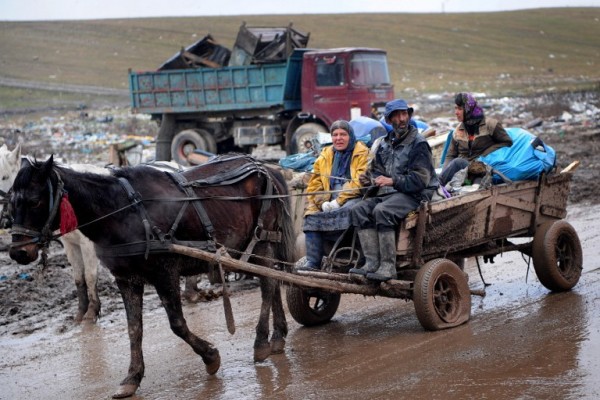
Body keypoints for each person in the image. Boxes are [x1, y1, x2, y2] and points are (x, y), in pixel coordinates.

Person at [349, 99, 439, 282]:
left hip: (416, 194)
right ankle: (372, 263)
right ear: (389, 120)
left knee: (382, 211)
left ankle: (388, 267)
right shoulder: (384, 144)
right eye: (397, 115)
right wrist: (370, 179)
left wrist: (392, 181)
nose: (402, 118)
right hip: (391, 193)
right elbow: (376, 171)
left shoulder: (418, 143)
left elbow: (421, 179)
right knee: (358, 209)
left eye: (404, 114)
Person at [299, 120, 370, 271]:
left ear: (350, 136)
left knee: (348, 212)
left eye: (343, 134)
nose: (338, 138)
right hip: (328, 198)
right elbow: (315, 182)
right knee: (310, 216)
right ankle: (313, 262)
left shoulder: (361, 152)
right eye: (335, 135)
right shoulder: (325, 154)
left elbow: (359, 182)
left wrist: (338, 202)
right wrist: (321, 201)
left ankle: (356, 258)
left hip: (354, 197)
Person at [439, 92, 513, 186]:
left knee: (460, 165)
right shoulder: (458, 131)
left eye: (460, 109)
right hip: (464, 173)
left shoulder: (491, 125)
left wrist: (485, 154)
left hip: (482, 169)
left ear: (469, 110)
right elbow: (450, 155)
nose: (456, 112)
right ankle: (440, 184)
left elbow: (507, 143)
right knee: (455, 172)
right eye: (455, 108)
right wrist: (445, 172)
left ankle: (436, 187)